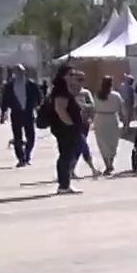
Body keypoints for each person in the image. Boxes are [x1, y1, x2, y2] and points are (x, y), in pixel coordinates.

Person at [46, 64, 87, 195]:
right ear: (63, 76)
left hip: (67, 127)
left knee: (69, 154)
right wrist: (71, 125)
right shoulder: (61, 91)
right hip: (64, 128)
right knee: (66, 155)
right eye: (70, 75)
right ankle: (63, 185)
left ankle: (65, 183)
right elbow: (60, 109)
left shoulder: (67, 89)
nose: (73, 77)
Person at [0, 65, 41, 167]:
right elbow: (4, 100)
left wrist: (37, 106)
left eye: (21, 71)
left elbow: (39, 96)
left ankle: (27, 155)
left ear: (24, 72)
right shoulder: (9, 86)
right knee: (17, 137)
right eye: (17, 71)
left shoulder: (30, 84)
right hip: (16, 113)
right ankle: (21, 158)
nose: (19, 73)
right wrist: (3, 112)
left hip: (28, 113)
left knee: (31, 136)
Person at [91, 76, 125, 174]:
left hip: (100, 118)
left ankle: (107, 165)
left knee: (102, 143)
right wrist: (126, 122)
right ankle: (110, 163)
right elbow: (122, 109)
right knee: (112, 143)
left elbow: (93, 108)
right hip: (112, 118)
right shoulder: (116, 95)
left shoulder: (97, 95)